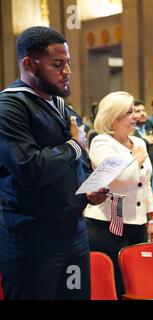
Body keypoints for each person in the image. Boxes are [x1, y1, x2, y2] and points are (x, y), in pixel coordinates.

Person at [0, 26, 108, 300]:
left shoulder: (63, 106)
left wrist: (88, 190)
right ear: (29, 64)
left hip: (73, 232)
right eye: (57, 65)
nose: (67, 72)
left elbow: (77, 164)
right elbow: (30, 168)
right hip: (33, 239)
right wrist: (73, 145)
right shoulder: (9, 107)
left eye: (68, 63)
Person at [84, 91, 153, 299]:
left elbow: (145, 183)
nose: (135, 116)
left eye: (134, 110)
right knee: (114, 283)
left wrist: (151, 219)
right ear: (112, 116)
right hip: (106, 225)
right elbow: (119, 177)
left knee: (136, 281)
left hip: (137, 223)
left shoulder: (139, 143)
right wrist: (135, 159)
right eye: (128, 112)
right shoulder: (101, 142)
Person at [133, 99, 153, 195]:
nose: (142, 113)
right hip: (139, 177)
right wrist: (144, 141)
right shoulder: (130, 135)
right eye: (138, 111)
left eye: (143, 110)